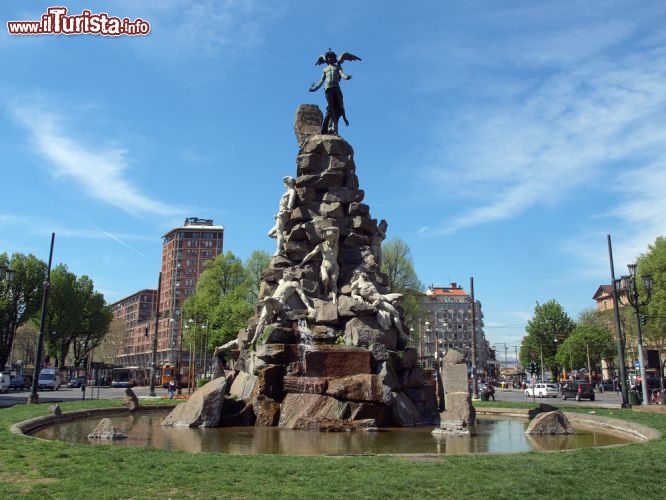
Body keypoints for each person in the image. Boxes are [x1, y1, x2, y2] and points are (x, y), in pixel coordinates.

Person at [251, 267, 316, 347]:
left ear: (290, 274)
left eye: (285, 272)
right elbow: (272, 276)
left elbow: (302, 295)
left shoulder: (294, 284)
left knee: (267, 299)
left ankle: (271, 317)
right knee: (262, 320)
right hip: (270, 303)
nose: (283, 274)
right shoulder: (281, 281)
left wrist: (309, 307)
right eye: (283, 272)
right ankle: (254, 339)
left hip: (278, 303)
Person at [350, 269, 409, 344]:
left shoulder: (369, 282)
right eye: (363, 271)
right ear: (358, 273)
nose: (365, 273)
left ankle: (392, 305)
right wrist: (359, 297)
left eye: (365, 271)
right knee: (395, 313)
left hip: (382, 297)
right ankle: (402, 333)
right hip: (379, 302)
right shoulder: (356, 284)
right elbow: (353, 295)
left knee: (401, 296)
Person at [309, 50, 360, 135]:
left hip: (336, 88)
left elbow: (342, 74)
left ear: (334, 58)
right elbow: (321, 81)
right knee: (331, 107)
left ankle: (337, 123)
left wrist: (346, 77)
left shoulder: (337, 67)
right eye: (328, 57)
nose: (330, 58)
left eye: (331, 57)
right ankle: (331, 126)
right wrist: (314, 88)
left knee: (339, 106)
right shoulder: (325, 69)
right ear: (327, 59)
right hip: (328, 88)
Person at [299, 227, 340, 302]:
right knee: (325, 278)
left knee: (334, 282)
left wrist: (328, 228)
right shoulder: (321, 246)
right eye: (327, 233)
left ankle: (334, 299)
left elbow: (337, 229)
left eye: (331, 233)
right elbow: (311, 255)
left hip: (334, 265)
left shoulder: (336, 243)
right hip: (324, 265)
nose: (330, 234)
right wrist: (301, 263)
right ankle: (325, 290)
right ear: (325, 236)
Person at [268, 176, 297, 256]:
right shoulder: (288, 191)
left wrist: (288, 208)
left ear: (289, 182)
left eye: (286, 182)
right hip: (280, 214)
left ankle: (279, 250)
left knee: (279, 232)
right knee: (270, 234)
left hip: (283, 214)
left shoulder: (292, 191)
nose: (285, 184)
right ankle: (283, 240)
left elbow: (291, 200)